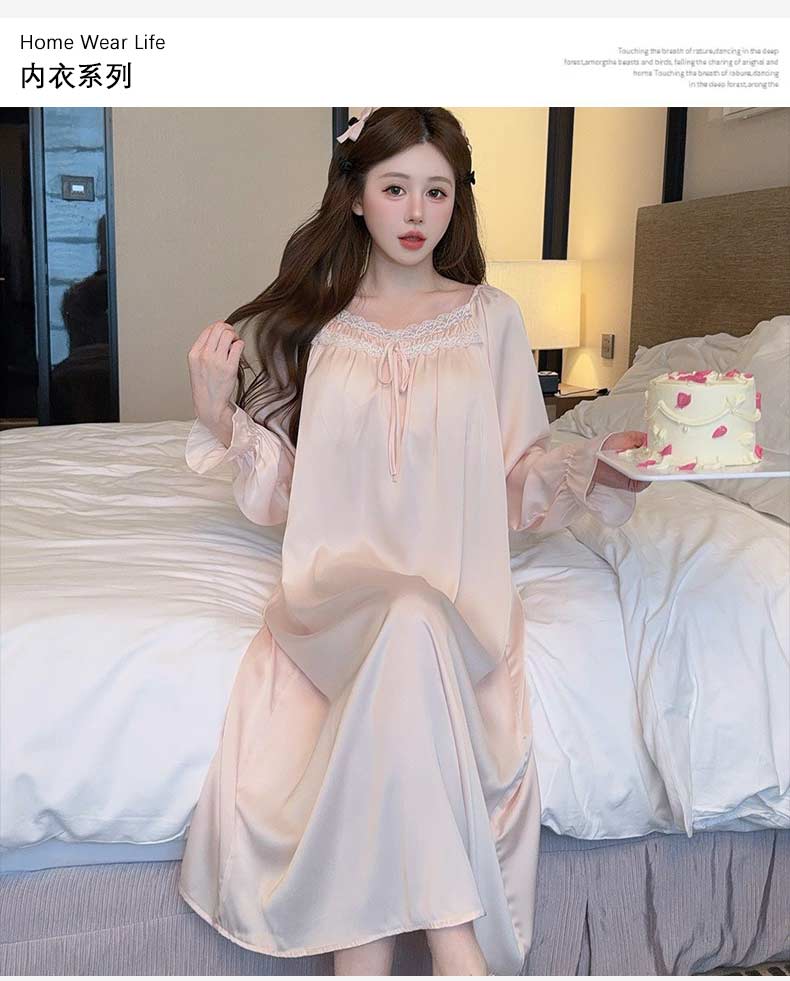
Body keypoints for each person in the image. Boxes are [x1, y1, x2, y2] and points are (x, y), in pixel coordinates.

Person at [178, 107, 649, 977]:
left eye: (437, 191)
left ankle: (363, 962)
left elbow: (519, 470)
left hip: (457, 600)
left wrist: (594, 467)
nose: (417, 211)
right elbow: (286, 488)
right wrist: (219, 416)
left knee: (415, 616)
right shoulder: (317, 324)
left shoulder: (491, 319)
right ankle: (455, 944)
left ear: (455, 202)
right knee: (400, 612)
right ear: (357, 196)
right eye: (395, 187)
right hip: (333, 598)